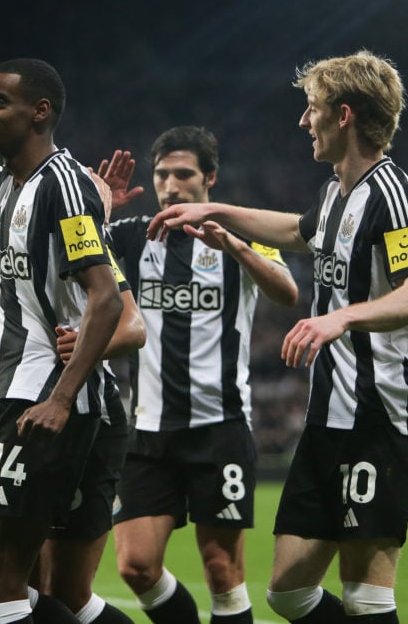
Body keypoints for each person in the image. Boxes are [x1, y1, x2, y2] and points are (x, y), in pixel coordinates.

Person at [149, 50, 408, 623]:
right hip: (329, 417)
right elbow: (298, 232)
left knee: (366, 596)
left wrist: (340, 317)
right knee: (286, 592)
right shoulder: (335, 193)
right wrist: (216, 215)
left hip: (380, 420)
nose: (305, 122)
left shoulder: (393, 197)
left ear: (344, 115)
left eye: (313, 109)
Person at [0, 164, 142, 624]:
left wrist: (84, 348)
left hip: (76, 411)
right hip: (17, 404)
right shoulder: (8, 254)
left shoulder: (65, 236)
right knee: (22, 587)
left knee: (33, 588)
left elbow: (132, 325)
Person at [100, 126, 298, 624]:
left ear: (209, 178)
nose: (171, 184)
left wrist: (235, 245)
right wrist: (100, 210)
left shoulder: (240, 236)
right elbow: (74, 253)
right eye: (162, 174)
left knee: (221, 570)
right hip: (147, 431)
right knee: (137, 567)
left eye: (183, 174)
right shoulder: (131, 238)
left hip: (220, 428)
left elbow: (287, 292)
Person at [0, 57, 124, 624]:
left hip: (45, 398)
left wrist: (61, 397)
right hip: (10, 394)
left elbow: (106, 298)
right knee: (23, 582)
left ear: (40, 112)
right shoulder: (6, 187)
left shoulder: (64, 188)